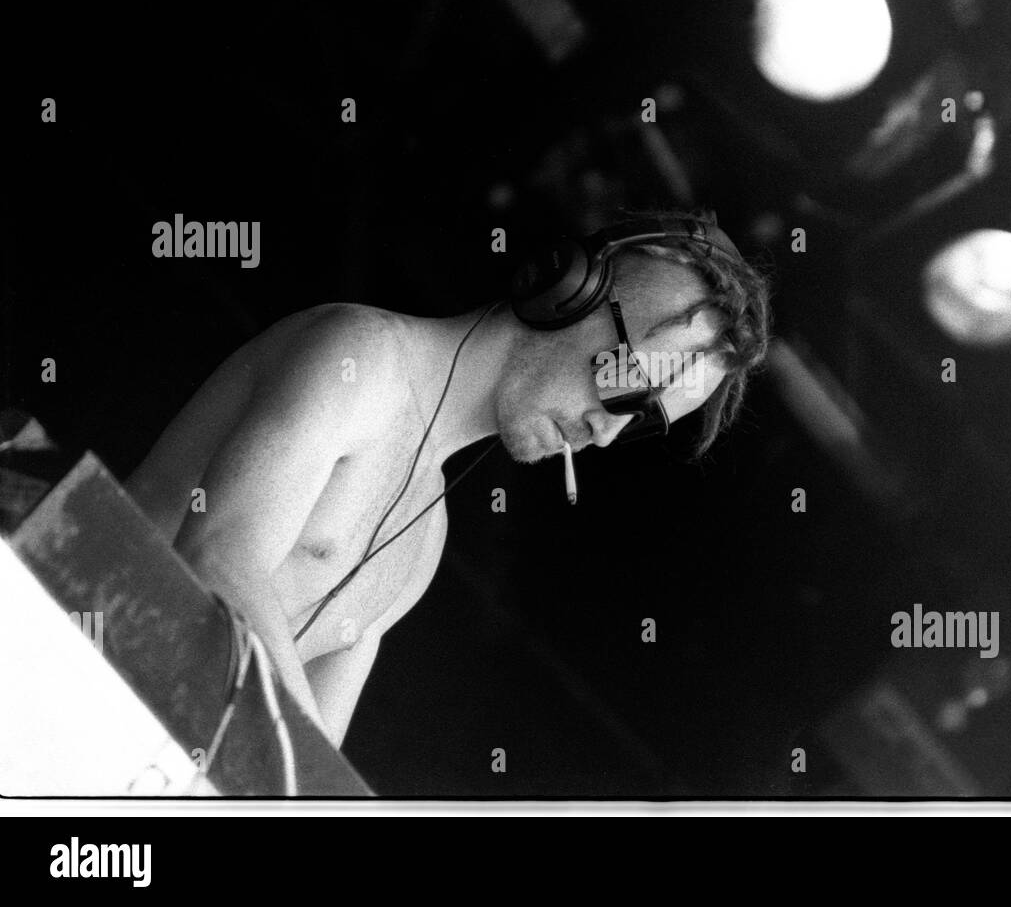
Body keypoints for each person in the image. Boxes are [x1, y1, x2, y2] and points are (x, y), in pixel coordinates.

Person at [125, 211, 771, 748]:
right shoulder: (360, 357)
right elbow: (216, 558)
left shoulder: (423, 543)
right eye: (630, 384)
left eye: (642, 420)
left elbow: (313, 755)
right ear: (570, 289)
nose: (606, 431)